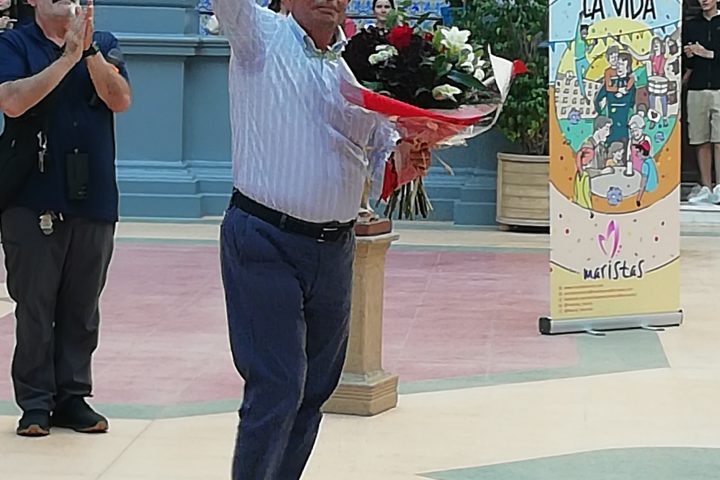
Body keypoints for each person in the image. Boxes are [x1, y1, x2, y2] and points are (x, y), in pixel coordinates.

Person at [212, 0, 396, 478]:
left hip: (335, 251)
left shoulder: (359, 66)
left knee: (314, 389)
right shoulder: (258, 34)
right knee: (277, 385)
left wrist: (410, 158)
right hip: (264, 238)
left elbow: (382, 161)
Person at [0, 0, 131, 436]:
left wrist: (87, 52)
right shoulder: (14, 44)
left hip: (93, 194)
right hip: (31, 194)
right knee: (35, 305)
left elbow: (120, 99)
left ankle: (73, 397)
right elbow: (12, 102)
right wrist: (66, 59)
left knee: (82, 305)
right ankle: (36, 402)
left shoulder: (104, 44)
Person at [683, 0, 720, 204]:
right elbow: (688, 61)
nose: (704, 0)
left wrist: (707, 53)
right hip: (697, 87)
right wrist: (690, 55)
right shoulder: (691, 25)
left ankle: (719, 185)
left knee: (719, 140)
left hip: (719, 87)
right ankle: (706, 187)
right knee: (700, 139)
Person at [634, 140, 658, 206]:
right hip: (654, 188)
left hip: (648, 190)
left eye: (638, 152)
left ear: (642, 151)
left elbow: (643, 182)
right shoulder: (650, 161)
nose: (636, 154)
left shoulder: (645, 164)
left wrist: (638, 199)